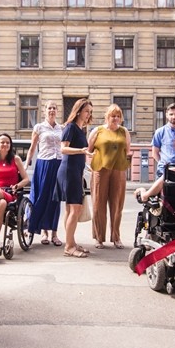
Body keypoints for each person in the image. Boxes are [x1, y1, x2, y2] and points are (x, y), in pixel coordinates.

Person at [87, 104, 131, 249]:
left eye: (118, 116)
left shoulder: (124, 131)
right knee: (98, 204)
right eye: (113, 116)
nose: (116, 118)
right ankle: (99, 238)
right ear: (107, 116)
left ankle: (116, 238)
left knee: (117, 205)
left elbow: (128, 150)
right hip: (100, 170)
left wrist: (127, 160)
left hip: (118, 170)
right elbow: (89, 150)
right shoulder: (98, 131)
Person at [54, 98, 94, 258]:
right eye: (86, 111)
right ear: (78, 111)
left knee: (71, 209)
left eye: (90, 112)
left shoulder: (81, 128)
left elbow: (81, 151)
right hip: (68, 172)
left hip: (75, 171)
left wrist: (85, 162)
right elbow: (63, 149)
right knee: (75, 209)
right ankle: (69, 247)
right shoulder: (70, 127)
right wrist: (82, 151)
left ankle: (71, 242)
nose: (88, 115)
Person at [0, 133, 30, 254]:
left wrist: (17, 186)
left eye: (7, 142)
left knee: (1, 196)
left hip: (11, 193)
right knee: (2, 203)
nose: (5, 144)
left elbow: (26, 179)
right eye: (2, 142)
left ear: (10, 145)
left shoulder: (16, 159)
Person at [24, 101, 64, 246]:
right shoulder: (39, 127)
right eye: (49, 108)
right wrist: (26, 164)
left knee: (55, 199)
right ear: (45, 111)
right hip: (44, 163)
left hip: (58, 164)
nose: (52, 110)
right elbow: (32, 147)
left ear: (57, 111)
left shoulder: (61, 128)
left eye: (54, 108)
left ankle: (54, 233)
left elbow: (65, 148)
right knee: (42, 197)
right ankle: (44, 233)